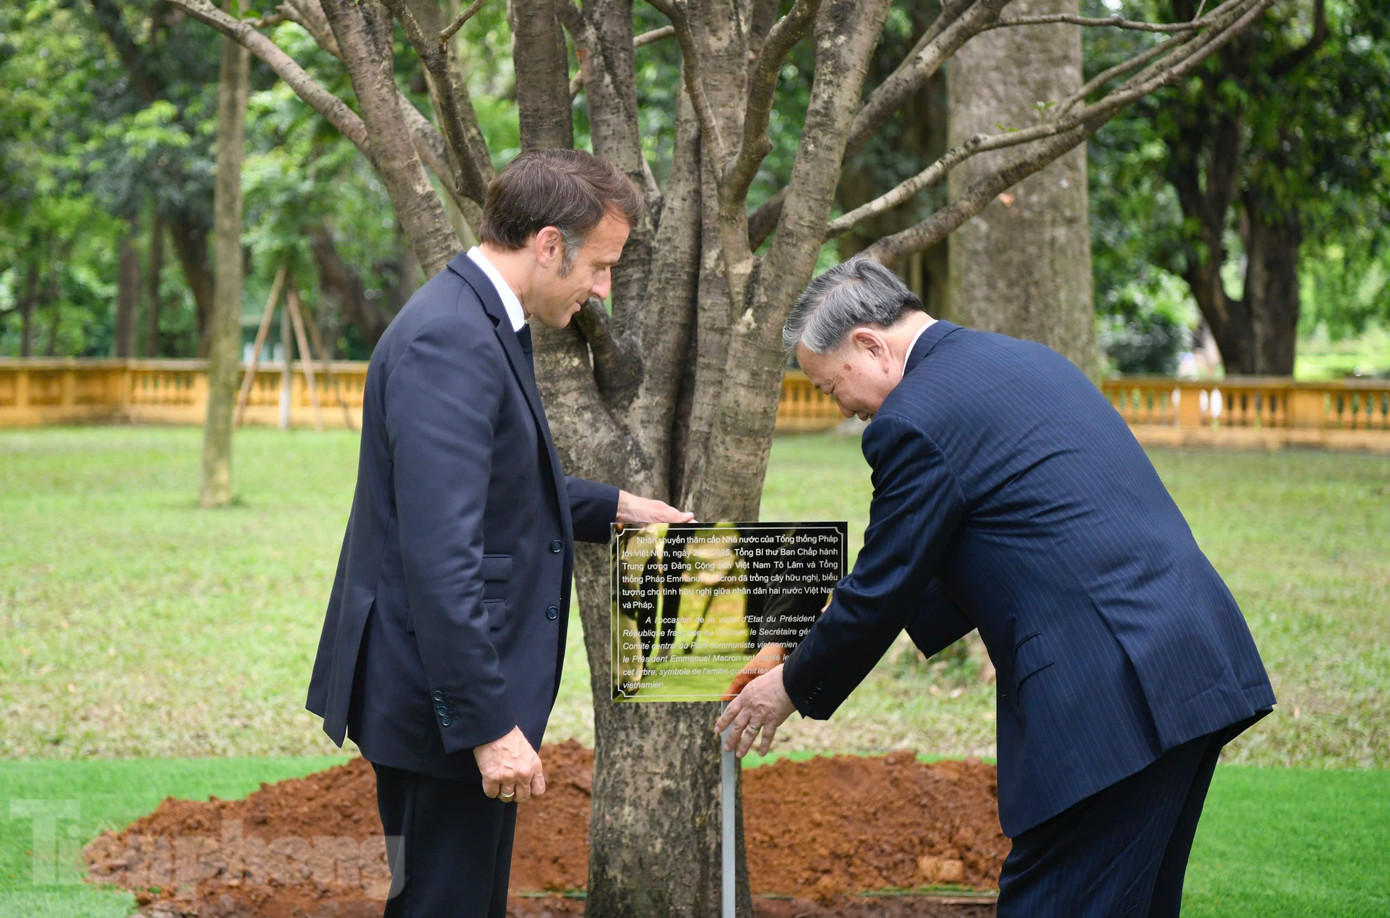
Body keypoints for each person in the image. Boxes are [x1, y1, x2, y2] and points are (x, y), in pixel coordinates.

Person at [717, 256, 1275, 917]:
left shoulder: (913, 418)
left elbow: (888, 580)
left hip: (1110, 698)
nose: (839, 404)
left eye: (829, 385)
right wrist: (796, 635)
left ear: (869, 344)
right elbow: (968, 551)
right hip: (1188, 659)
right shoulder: (1021, 361)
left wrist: (789, 686)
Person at [306, 149, 692, 918]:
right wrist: (486, 726)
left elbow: (492, 488)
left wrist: (615, 505)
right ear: (549, 244)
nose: (602, 289)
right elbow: (440, 555)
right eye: (602, 266)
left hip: (442, 695)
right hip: (438, 708)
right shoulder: (450, 341)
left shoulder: (478, 320)